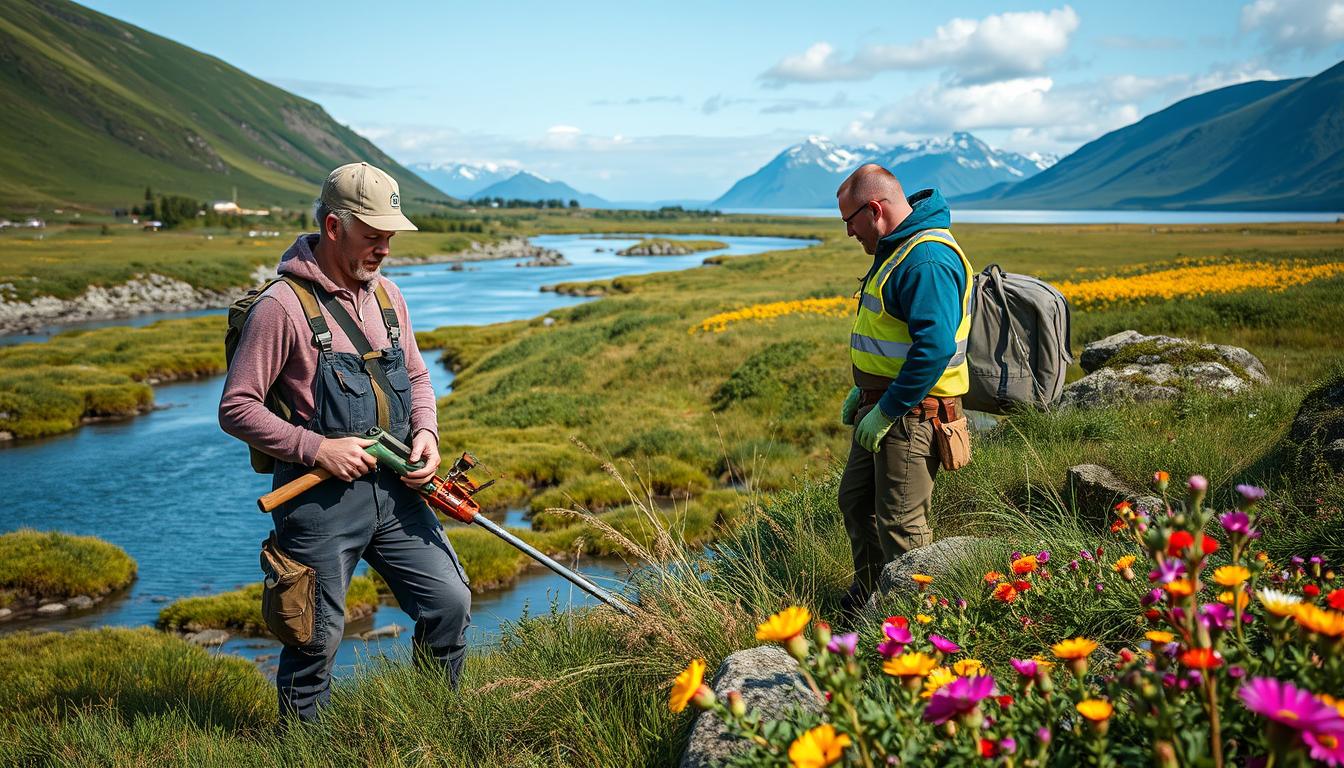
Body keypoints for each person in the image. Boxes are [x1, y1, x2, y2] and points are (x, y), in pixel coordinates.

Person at [220, 162, 471, 720]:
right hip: (318, 502)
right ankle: (301, 753)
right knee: (314, 642)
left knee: (449, 604)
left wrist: (426, 434)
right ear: (334, 227)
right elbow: (236, 408)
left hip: (398, 491)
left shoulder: (389, 297)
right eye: (373, 235)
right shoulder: (281, 307)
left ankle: (434, 722)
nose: (384, 248)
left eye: (390, 236)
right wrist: (318, 449)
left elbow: (419, 378)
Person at [834, 164, 974, 617]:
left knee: (902, 526)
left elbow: (933, 349)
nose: (850, 234)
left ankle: (918, 622)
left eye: (849, 222)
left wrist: (887, 407)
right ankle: (872, 599)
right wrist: (865, 392)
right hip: (884, 407)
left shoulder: (926, 259)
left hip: (913, 416)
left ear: (874, 209)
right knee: (856, 502)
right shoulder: (899, 249)